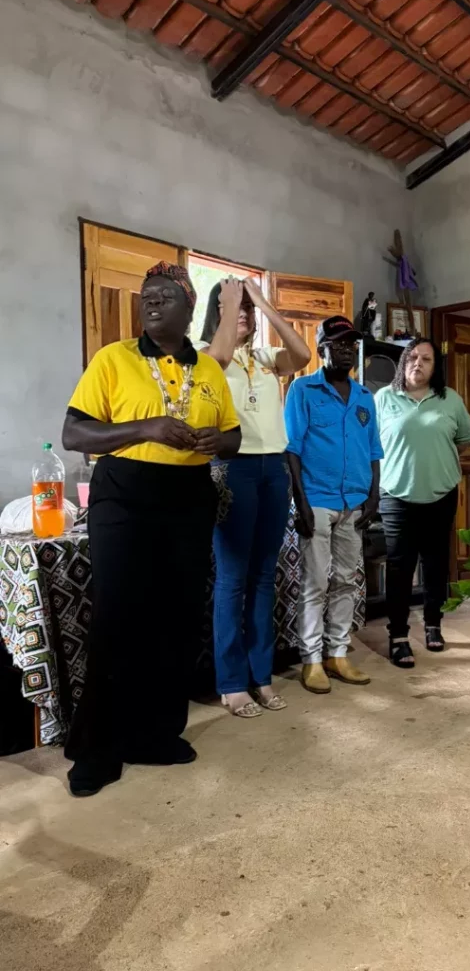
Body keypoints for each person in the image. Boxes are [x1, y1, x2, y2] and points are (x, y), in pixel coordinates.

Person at [61, 262, 241, 797]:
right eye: (147, 296)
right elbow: (74, 434)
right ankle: (96, 749)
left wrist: (216, 442)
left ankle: (155, 735)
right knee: (119, 618)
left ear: (190, 307)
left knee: (177, 618)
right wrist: (147, 428)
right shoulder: (113, 358)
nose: (152, 301)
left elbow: (232, 436)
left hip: (189, 498)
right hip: (125, 495)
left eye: (165, 295)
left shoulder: (209, 369)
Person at [199, 277, 311, 718]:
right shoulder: (204, 352)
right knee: (232, 577)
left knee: (264, 575)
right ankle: (231, 683)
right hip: (232, 468)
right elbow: (219, 359)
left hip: (273, 468)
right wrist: (231, 308)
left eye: (246, 308)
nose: (242, 313)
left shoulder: (263, 357)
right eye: (233, 306)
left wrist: (262, 302)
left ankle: (261, 675)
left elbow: (302, 356)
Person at [284, 316, 382, 694]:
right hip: (318, 500)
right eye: (338, 344)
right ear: (321, 349)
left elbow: (373, 450)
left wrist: (373, 495)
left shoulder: (364, 397)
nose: (346, 351)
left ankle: (337, 654)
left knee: (345, 581)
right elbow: (292, 450)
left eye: (351, 345)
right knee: (315, 582)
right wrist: (301, 503)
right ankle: (311, 659)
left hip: (354, 501)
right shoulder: (302, 390)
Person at [375, 339, 470, 667]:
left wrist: (436, 458)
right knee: (399, 567)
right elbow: (370, 443)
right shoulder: (384, 397)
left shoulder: (450, 399)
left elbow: (464, 438)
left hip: (441, 494)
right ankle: (398, 636)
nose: (418, 363)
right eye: (413, 357)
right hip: (396, 495)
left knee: (435, 564)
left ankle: (433, 624)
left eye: (426, 359)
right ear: (404, 362)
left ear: (436, 367)